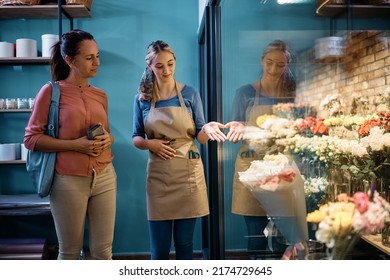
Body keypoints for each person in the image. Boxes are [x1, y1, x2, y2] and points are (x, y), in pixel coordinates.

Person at [24, 29, 117, 260]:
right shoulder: (50, 92)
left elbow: (107, 132)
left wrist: (109, 139)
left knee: (103, 253)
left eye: (97, 56)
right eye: (89, 58)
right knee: (70, 253)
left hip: (105, 176)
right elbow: (31, 139)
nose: (97, 62)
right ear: (69, 60)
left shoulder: (101, 95)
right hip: (68, 180)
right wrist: (76, 145)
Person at [132, 40, 226, 260]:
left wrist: (208, 128)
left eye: (171, 64)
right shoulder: (142, 99)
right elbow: (136, 136)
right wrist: (149, 144)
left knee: (185, 244)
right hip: (158, 175)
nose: (167, 70)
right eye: (160, 66)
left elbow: (200, 137)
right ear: (150, 67)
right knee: (159, 248)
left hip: (188, 174)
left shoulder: (190, 94)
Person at [225, 39, 296, 258]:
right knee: (255, 234)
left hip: (283, 167)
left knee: (285, 235)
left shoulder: (293, 94)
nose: (274, 69)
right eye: (269, 62)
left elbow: (300, 130)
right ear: (261, 61)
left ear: (287, 65)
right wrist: (238, 128)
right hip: (251, 169)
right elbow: (235, 129)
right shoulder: (244, 93)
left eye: (280, 65)